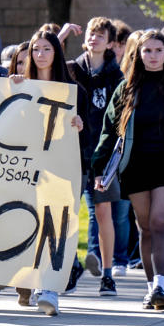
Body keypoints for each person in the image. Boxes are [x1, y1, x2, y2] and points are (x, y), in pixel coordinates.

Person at [92, 31, 164, 310]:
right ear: (138, 55)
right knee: (145, 228)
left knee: (160, 222)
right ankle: (150, 288)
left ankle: (161, 286)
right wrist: (98, 168)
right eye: (147, 51)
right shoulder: (126, 88)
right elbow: (109, 131)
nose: (153, 56)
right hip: (135, 167)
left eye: (158, 51)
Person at [10, 29, 88, 316]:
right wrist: (13, 90)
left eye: (46, 49)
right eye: (36, 50)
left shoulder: (74, 91)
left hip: (61, 168)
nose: (40, 55)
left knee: (56, 227)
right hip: (27, 169)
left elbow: (90, 134)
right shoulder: (19, 86)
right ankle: (29, 281)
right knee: (30, 225)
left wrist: (80, 125)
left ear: (57, 52)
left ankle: (50, 289)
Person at [68, 17, 126, 296]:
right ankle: (68, 267)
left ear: (111, 42)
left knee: (103, 213)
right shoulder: (73, 69)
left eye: (101, 35)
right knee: (67, 212)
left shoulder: (117, 75)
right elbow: (44, 61)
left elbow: (121, 118)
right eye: (91, 34)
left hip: (103, 155)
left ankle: (107, 274)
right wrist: (64, 33)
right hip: (73, 151)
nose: (95, 38)